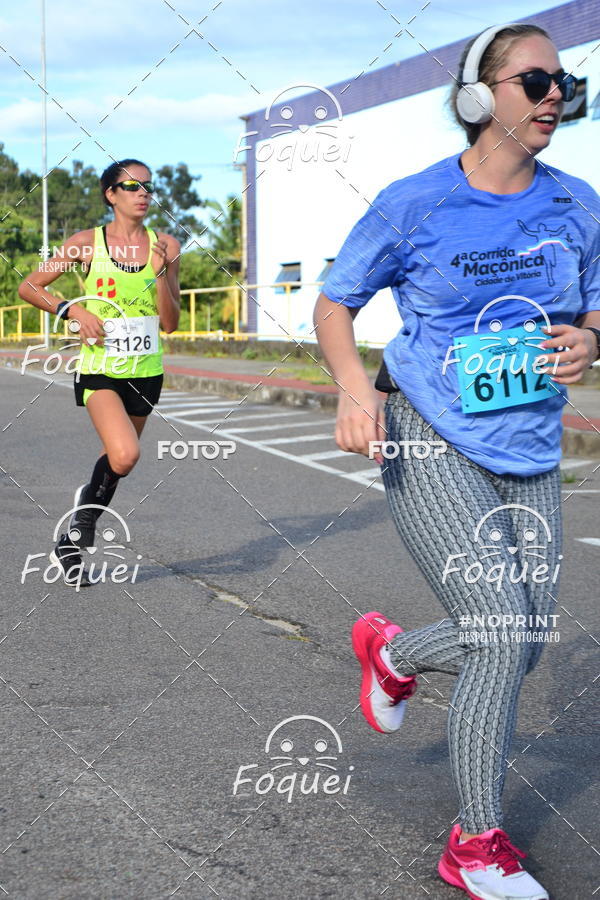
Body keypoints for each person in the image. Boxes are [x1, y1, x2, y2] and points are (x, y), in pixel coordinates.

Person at [314, 23, 600, 900]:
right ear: (481, 97)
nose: (557, 94)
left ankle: (395, 655)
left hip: (530, 450)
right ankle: (475, 844)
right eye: (536, 79)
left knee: (515, 647)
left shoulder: (579, 203)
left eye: (567, 81)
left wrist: (590, 342)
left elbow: (596, 315)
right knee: (503, 630)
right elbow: (334, 303)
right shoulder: (415, 202)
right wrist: (357, 393)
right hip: (429, 431)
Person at [19, 158, 181, 585]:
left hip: (146, 370)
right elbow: (30, 286)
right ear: (111, 194)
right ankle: (83, 522)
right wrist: (71, 309)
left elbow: (170, 323)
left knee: (119, 463)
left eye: (148, 186)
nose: (143, 193)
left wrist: (162, 275)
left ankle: (71, 540)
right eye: (132, 186)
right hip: (100, 369)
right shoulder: (85, 244)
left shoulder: (166, 245)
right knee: (126, 453)